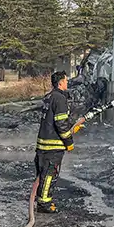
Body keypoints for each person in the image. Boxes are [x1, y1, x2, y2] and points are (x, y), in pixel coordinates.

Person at [34, 70, 81, 213]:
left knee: (42, 175)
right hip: (53, 146)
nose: (68, 82)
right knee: (49, 175)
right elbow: (60, 123)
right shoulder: (60, 99)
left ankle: (41, 200)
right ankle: (44, 205)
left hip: (42, 144)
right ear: (60, 82)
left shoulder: (49, 97)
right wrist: (69, 142)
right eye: (66, 81)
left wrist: (73, 126)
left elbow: (56, 119)